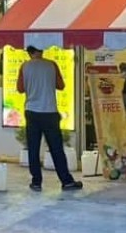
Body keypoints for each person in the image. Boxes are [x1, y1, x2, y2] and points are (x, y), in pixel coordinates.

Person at [16, 45, 82, 192]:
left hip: (31, 111)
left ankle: (36, 182)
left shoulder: (24, 67)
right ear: (42, 50)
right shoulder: (51, 65)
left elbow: (20, 88)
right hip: (49, 112)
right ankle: (66, 181)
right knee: (56, 148)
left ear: (29, 52)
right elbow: (61, 85)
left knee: (33, 148)